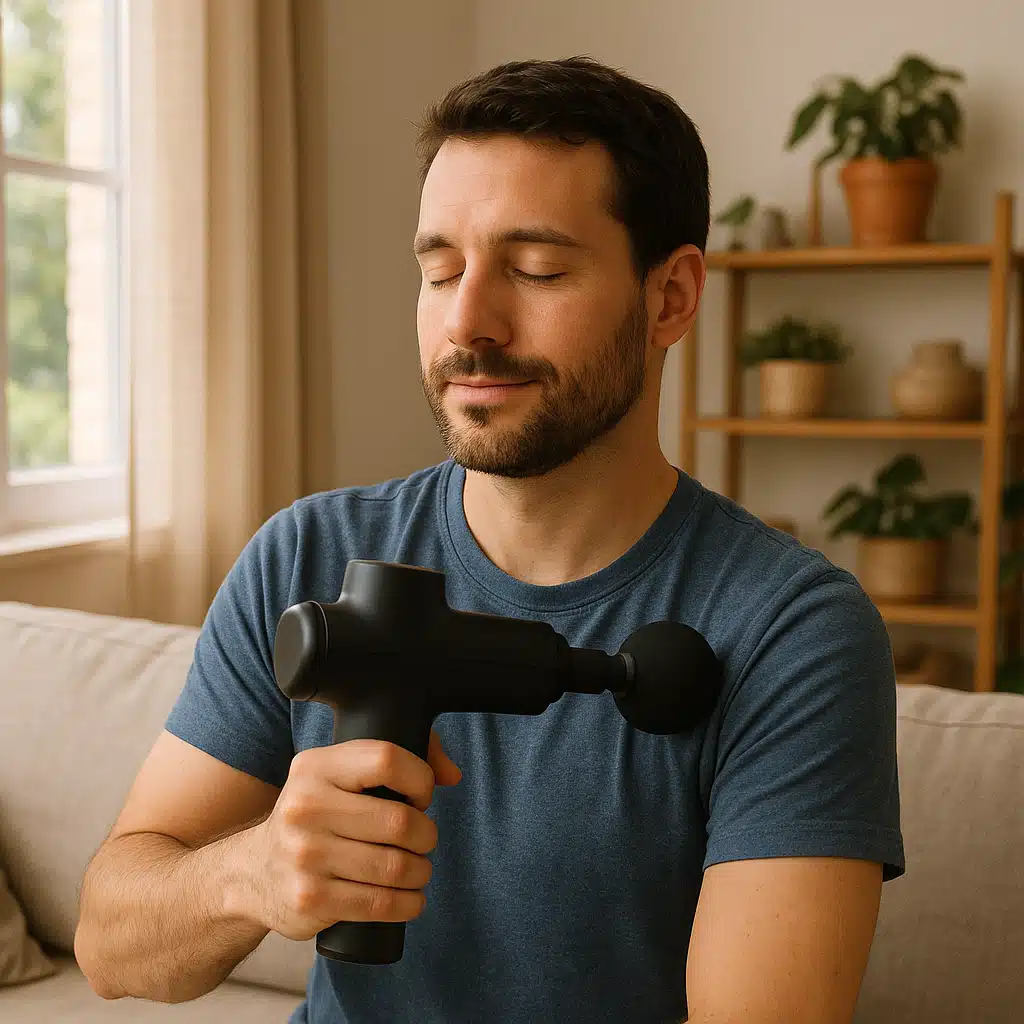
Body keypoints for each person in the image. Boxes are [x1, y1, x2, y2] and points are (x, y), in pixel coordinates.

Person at [74, 56, 904, 1023]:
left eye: (536, 270)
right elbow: (109, 946)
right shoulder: (304, 557)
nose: (468, 321)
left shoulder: (792, 631)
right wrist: (248, 875)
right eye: (439, 270)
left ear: (671, 298)